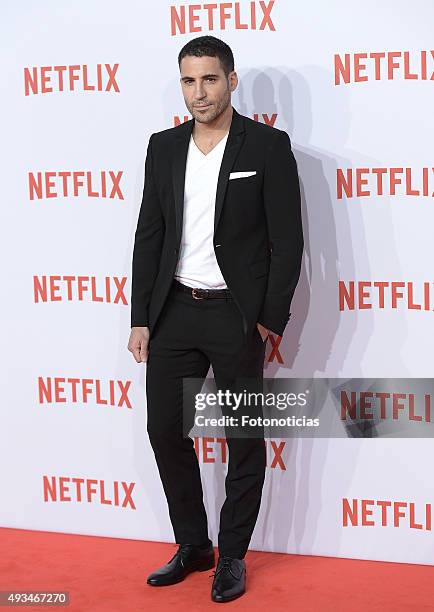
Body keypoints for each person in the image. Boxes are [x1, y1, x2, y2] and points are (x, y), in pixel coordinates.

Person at [127, 34, 303, 603]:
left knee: (243, 440)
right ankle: (194, 544)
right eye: (187, 80)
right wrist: (140, 317)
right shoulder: (162, 146)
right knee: (163, 430)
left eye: (208, 79)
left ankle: (231, 556)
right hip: (174, 310)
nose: (198, 93)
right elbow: (149, 235)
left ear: (230, 80)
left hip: (235, 316)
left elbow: (288, 242)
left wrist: (268, 317)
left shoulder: (268, 148)